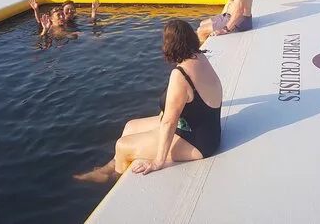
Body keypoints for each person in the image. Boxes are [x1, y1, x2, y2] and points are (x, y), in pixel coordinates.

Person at [73, 19, 223, 182]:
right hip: (203, 129)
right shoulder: (200, 57)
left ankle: (116, 177)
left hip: (199, 143)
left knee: (122, 146)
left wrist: (159, 161)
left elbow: (169, 123)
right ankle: (109, 168)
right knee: (130, 126)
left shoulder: (180, 75)